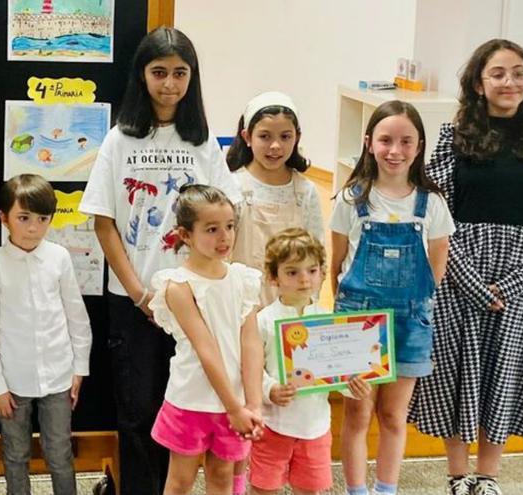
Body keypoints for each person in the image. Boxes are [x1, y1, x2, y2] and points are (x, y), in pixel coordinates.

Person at [409, 39, 523, 495]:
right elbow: (435, 214)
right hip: (461, 270)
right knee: (457, 371)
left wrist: (522, 277)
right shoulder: (452, 135)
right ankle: (457, 475)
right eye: (498, 73)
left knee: (506, 371)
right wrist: (468, 278)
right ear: (479, 83)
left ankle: (489, 476)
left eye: (518, 72)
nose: (510, 82)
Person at [79, 26, 241, 495]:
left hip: (194, 302)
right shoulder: (119, 140)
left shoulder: (202, 140)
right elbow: (105, 223)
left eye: (179, 73)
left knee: (188, 408)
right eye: (159, 72)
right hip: (136, 301)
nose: (169, 83)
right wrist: (138, 292)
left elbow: (226, 215)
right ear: (142, 75)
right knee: (138, 411)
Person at [330, 100, 454, 495]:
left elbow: (436, 270)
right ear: (369, 143)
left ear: (419, 147)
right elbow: (336, 267)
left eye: (405, 141)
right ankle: (356, 489)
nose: (394, 150)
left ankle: (386, 489)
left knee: (393, 415)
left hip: (411, 321)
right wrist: (348, 317)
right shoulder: (351, 198)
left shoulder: (431, 204)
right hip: (357, 319)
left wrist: (413, 305)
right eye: (385, 140)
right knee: (357, 413)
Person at [0, 173, 92, 495]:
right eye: (23, 218)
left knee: (59, 453)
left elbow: (76, 318)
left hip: (58, 376)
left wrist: (79, 368)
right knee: (15, 454)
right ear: (4, 218)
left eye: (42, 219)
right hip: (13, 381)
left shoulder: (59, 258)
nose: (33, 227)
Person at [146, 184, 263, 495]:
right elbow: (205, 349)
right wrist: (235, 408)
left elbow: (251, 344)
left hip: (235, 402)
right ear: (185, 234)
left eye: (229, 227)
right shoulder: (178, 286)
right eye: (212, 229)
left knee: (223, 477)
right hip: (190, 401)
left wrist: (252, 403)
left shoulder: (242, 279)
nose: (224, 237)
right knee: (180, 481)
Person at [248, 228, 371, 495]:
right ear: (273, 277)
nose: (304, 279)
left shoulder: (329, 321)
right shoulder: (263, 321)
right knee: (263, 489)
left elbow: (339, 371)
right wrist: (270, 389)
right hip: (273, 426)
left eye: (312, 271)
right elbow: (250, 370)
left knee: (310, 491)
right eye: (292, 272)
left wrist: (353, 387)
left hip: (315, 427)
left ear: (322, 272)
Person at [226, 91, 324, 307]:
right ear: (247, 137)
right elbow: (222, 254)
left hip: (292, 309)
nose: (275, 146)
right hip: (244, 308)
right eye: (265, 136)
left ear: (297, 137)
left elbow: (318, 253)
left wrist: (309, 302)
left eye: (285, 137)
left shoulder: (305, 191)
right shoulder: (233, 187)